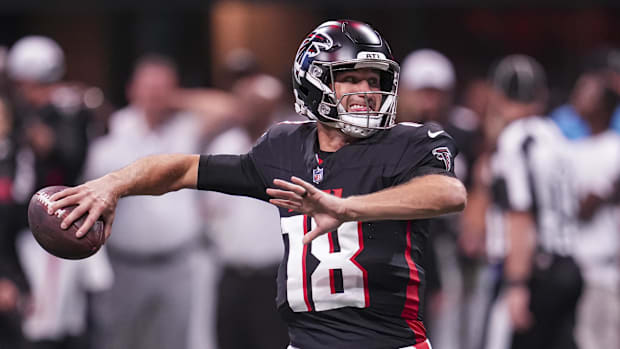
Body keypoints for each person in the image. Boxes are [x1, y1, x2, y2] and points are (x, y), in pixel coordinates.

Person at [47, 20, 467, 349]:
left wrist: (350, 208)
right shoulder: (284, 148)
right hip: (305, 342)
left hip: (390, 343)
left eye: (374, 81)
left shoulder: (409, 142)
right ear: (315, 79)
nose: (366, 92)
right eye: (351, 79)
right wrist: (113, 184)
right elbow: (179, 170)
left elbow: (448, 193)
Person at [83, 54, 237, 349]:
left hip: (177, 264)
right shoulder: (113, 133)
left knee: (173, 342)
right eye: (148, 87)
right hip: (123, 265)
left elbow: (232, 108)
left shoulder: (188, 130)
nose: (155, 94)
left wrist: (174, 98)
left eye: (163, 88)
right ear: (131, 90)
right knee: (118, 342)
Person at [486, 55, 583, 349]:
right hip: (567, 264)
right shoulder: (555, 135)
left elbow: (520, 215)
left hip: (533, 271)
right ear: (539, 94)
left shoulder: (515, 140)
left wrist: (517, 284)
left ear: (498, 95)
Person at [202, 72, 289, 349]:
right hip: (230, 273)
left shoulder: (290, 146)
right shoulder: (224, 145)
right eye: (244, 101)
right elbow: (208, 207)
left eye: (256, 103)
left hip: (274, 277)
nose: (248, 109)